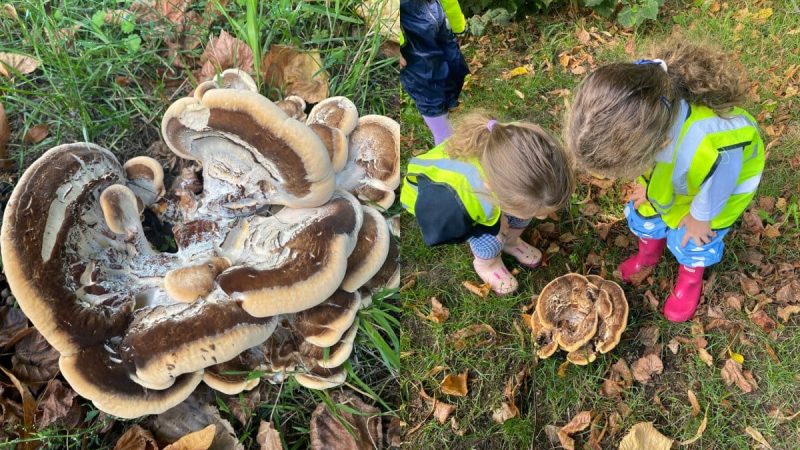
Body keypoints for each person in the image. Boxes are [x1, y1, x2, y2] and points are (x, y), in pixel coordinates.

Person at [565, 40, 764, 322]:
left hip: (717, 188)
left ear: (660, 143)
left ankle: (690, 279)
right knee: (645, 210)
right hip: (676, 173)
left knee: (694, 238)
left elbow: (721, 182)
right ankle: (648, 255)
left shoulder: (710, 142)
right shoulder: (645, 108)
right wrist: (649, 185)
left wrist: (700, 216)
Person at [400, 112, 575, 295]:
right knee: (491, 238)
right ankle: (488, 265)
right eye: (539, 212)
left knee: (520, 216)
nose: (543, 217)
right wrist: (492, 227)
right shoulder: (458, 201)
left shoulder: (514, 138)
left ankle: (511, 241)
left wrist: (512, 216)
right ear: (492, 190)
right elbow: (443, 231)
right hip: (438, 204)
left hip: (486, 194)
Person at [399, 0, 469, 145]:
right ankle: (444, 140)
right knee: (428, 87)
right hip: (408, 33)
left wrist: (457, 24)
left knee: (455, 69)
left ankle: (446, 114)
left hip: (436, 16)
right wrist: (391, 42)